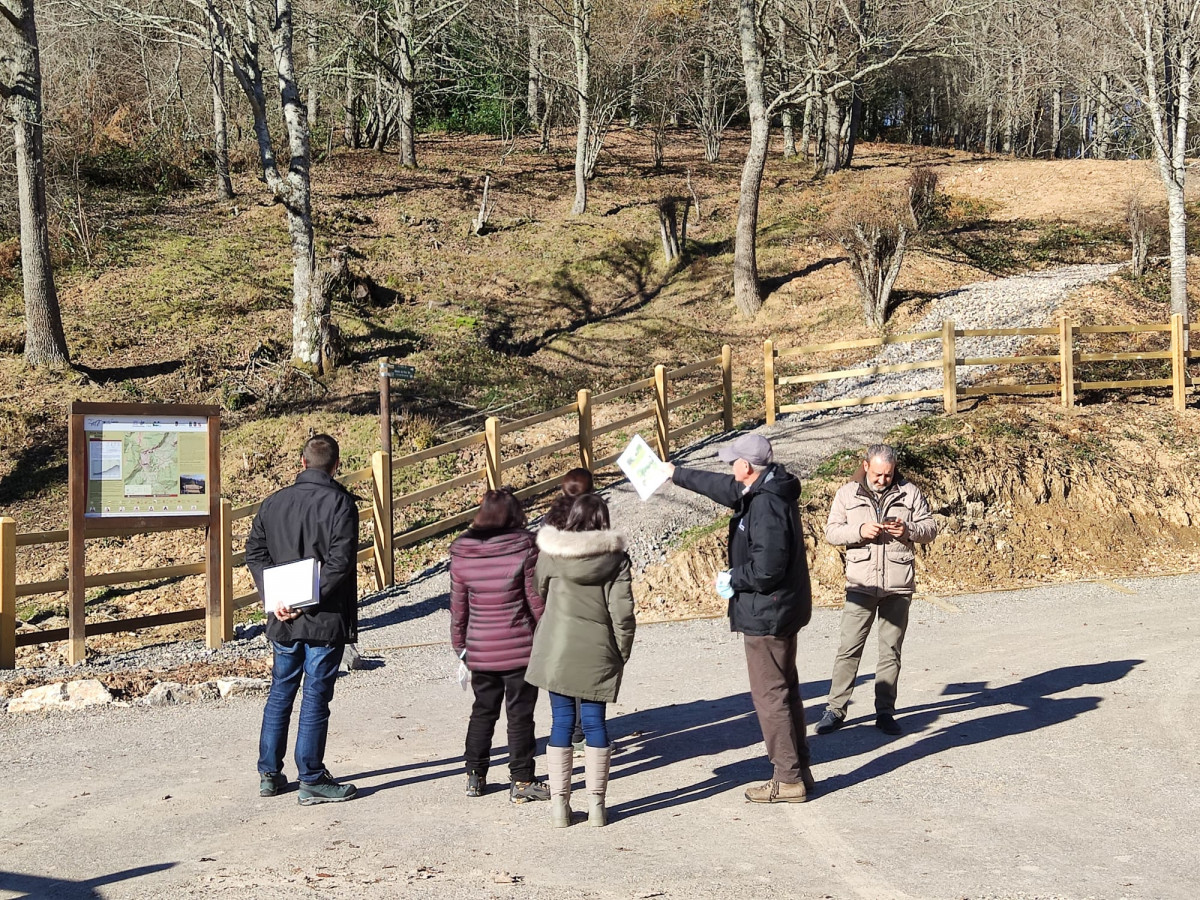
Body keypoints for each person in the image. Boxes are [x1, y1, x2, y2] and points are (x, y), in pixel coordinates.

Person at [667, 433, 815, 804]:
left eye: (733, 462)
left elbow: (767, 567)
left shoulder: (765, 505)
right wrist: (674, 473)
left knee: (770, 695)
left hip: (769, 612)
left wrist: (734, 577)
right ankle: (798, 768)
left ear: (745, 467)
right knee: (784, 688)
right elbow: (723, 488)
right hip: (779, 608)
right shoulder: (765, 488)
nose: (730, 468)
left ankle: (788, 778)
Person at [245, 434, 359, 805]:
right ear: (336, 464)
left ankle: (269, 773)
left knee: (281, 690)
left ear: (301, 461)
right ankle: (310, 776)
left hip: (282, 616)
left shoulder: (273, 503)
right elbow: (340, 563)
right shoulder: (341, 504)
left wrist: (275, 596)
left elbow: (255, 553)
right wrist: (305, 600)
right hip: (323, 617)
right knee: (314, 696)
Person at [526, 494, 635, 827]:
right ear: (604, 521)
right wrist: (621, 652)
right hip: (597, 650)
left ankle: (560, 807)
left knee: (560, 722)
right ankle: (598, 807)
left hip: (557, 649)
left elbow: (539, 589)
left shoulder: (551, 554)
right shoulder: (616, 560)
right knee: (594, 723)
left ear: (571, 518)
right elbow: (623, 614)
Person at [817, 443, 938, 737]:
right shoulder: (847, 493)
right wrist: (859, 532)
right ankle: (834, 710)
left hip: (898, 585)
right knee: (849, 649)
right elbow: (831, 532)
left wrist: (907, 529)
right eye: (878, 473)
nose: (883, 479)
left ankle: (885, 712)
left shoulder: (910, 492)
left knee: (890, 652)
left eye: (888, 474)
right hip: (860, 584)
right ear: (866, 465)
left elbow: (931, 529)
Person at [449, 488, 549, 803]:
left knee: (483, 711)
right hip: (520, 648)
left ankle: (475, 776)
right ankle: (521, 781)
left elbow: (458, 609)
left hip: (480, 649)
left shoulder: (462, 553)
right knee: (520, 714)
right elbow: (535, 603)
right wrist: (547, 637)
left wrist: (461, 647)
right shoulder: (524, 547)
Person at [540, 466, 595, 754]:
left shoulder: (551, 524)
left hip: (558, 606)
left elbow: (540, 576)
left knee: (563, 670)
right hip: (590, 609)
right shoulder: (597, 521)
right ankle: (585, 732)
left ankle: (570, 733)